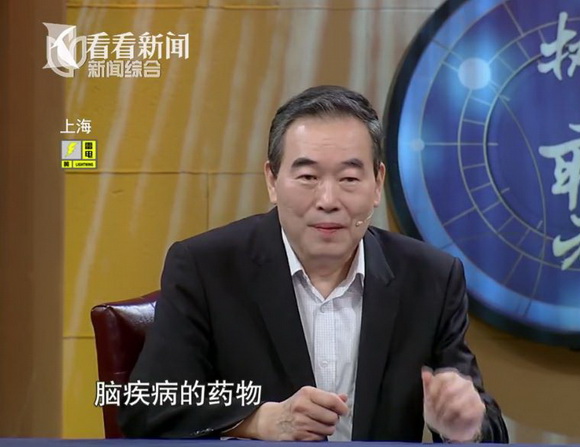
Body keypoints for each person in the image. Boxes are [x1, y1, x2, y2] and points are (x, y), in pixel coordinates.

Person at [118, 85, 508, 443]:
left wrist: (466, 427)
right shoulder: (207, 268)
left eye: (349, 178)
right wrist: (257, 421)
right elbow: (145, 408)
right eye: (307, 176)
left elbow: (485, 423)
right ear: (272, 181)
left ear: (377, 183)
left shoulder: (430, 278)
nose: (328, 200)